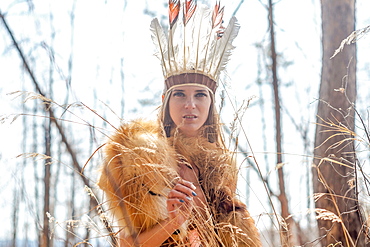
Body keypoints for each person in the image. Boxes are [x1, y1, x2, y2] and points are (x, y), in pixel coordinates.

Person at [98, 1, 261, 246]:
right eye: (180, 94)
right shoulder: (143, 159)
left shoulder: (220, 167)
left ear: (211, 102)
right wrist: (174, 221)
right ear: (165, 99)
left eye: (200, 95)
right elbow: (128, 244)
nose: (190, 105)